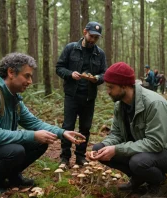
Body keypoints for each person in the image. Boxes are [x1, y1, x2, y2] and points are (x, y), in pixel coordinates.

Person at [0, 53, 85, 193]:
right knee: (16, 150)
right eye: (27, 76)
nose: (30, 81)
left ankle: (12, 176)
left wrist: (62, 132)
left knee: (42, 141)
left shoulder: (13, 98)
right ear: (11, 72)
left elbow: (33, 122)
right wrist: (32, 135)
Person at [87, 62, 167, 198]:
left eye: (111, 87)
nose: (108, 91)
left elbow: (155, 143)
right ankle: (139, 178)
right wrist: (106, 147)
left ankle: (160, 183)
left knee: (138, 161)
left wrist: (117, 149)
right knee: (98, 149)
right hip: (147, 147)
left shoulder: (153, 103)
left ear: (124, 86)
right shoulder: (120, 105)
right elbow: (116, 134)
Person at [56, 21, 107, 166]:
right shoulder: (71, 48)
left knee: (85, 127)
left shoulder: (100, 53)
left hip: (89, 97)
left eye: (96, 38)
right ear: (85, 32)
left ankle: (80, 157)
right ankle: (65, 158)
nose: (93, 40)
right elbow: (59, 68)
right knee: (68, 126)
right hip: (72, 95)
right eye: (91, 36)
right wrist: (70, 74)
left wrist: (97, 78)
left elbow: (105, 73)